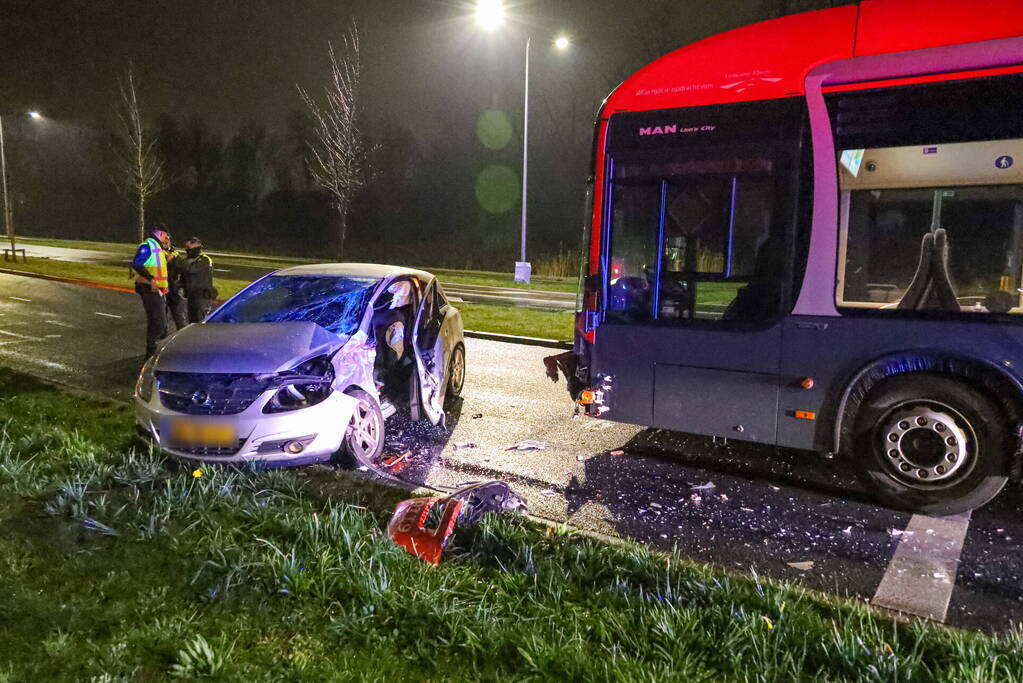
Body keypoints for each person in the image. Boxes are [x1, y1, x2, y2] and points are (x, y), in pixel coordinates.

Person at [131, 225, 171, 358]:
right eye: (166, 236)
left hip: (157, 290)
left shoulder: (158, 248)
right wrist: (151, 279)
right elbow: (136, 263)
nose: (167, 239)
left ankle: (154, 353)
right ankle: (151, 355)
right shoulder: (148, 245)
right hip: (149, 288)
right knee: (158, 322)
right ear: (160, 234)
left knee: (160, 323)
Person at [181, 237, 217, 323]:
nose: (188, 251)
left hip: (202, 295)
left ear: (197, 246)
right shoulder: (188, 260)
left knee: (200, 321)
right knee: (192, 321)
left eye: (189, 248)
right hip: (191, 295)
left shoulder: (205, 259)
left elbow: (191, 269)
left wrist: (181, 263)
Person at [164, 236, 189, 331]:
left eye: (168, 240)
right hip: (162, 288)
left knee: (179, 316)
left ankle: (181, 335)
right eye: (165, 239)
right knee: (162, 317)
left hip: (174, 289)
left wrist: (180, 286)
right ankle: (163, 336)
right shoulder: (157, 252)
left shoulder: (175, 253)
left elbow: (181, 268)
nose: (167, 242)